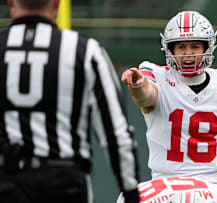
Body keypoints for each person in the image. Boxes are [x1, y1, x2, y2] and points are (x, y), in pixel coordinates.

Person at [0, 0, 139, 203]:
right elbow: (118, 136)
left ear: (11, 2)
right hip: (64, 183)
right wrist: (131, 193)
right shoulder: (85, 51)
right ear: (56, 4)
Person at [121, 10, 217, 202]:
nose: (188, 54)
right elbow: (146, 97)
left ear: (207, 47)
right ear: (170, 50)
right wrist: (138, 86)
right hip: (167, 183)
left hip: (215, 184)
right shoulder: (156, 75)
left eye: (195, 46)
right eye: (181, 47)